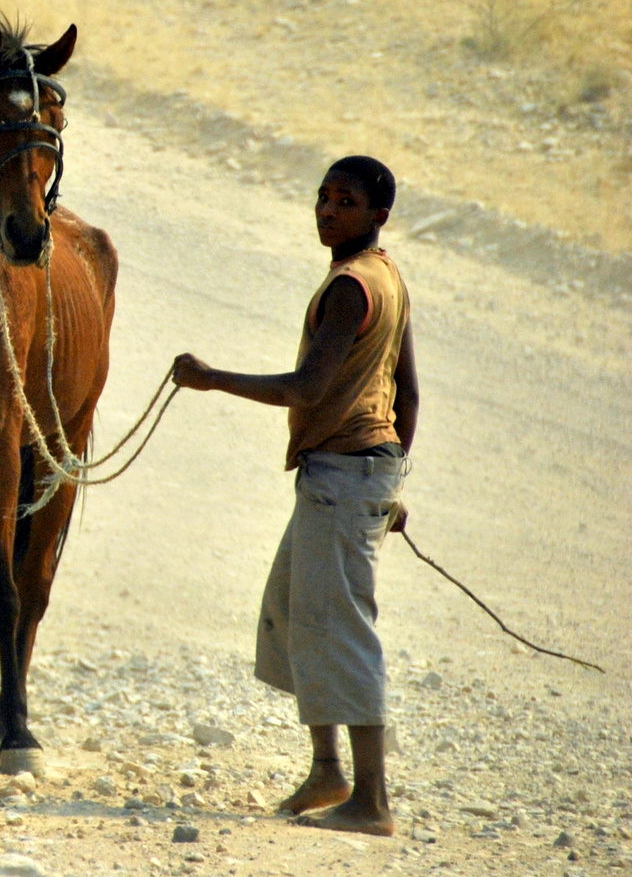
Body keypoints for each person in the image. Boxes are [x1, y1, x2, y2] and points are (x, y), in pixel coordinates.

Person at [172, 154, 419, 836]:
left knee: (342, 629)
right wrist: (391, 481)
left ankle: (370, 802)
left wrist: (210, 377)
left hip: (342, 476)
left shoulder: (350, 287)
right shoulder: (385, 276)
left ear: (377, 216)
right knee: (292, 609)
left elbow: (305, 390)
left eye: (344, 202)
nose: (327, 211)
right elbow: (407, 391)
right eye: (322, 197)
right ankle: (326, 771)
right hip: (353, 473)